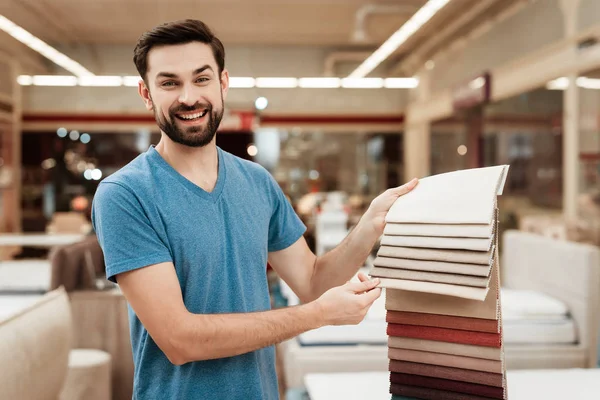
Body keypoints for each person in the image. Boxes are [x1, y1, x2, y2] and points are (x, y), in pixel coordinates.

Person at [91, 19, 418, 400]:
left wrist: (369, 227)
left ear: (223, 83)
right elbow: (179, 340)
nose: (188, 97)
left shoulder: (256, 182)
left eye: (201, 79)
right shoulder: (125, 195)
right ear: (146, 93)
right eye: (169, 83)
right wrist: (319, 315)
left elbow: (312, 282)